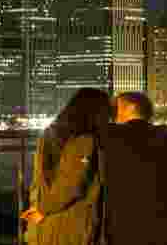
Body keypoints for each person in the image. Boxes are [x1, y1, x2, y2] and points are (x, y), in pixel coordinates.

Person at [20, 87, 111, 245]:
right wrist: (43, 209)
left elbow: (38, 180)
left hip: (46, 222)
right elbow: (71, 185)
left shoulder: (49, 135)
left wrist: (38, 207)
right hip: (69, 221)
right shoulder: (84, 140)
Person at [103, 92, 167, 245]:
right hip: (158, 215)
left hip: (122, 216)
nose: (114, 111)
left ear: (131, 108)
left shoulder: (112, 134)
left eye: (117, 107)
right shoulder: (164, 134)